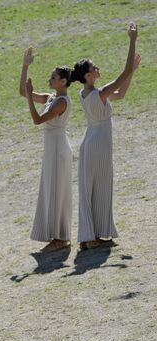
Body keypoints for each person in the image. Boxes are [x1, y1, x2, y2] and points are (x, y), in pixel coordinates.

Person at [71, 23, 140, 250]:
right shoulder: (98, 93)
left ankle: (94, 235)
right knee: (97, 187)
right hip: (97, 144)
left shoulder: (89, 93)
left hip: (94, 142)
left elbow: (120, 93)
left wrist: (132, 72)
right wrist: (132, 40)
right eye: (95, 67)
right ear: (89, 75)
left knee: (96, 188)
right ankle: (90, 237)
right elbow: (124, 72)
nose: (99, 68)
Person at [20, 47, 73, 252]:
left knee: (58, 189)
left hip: (59, 149)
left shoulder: (61, 102)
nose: (50, 79)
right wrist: (25, 66)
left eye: (53, 77)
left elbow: (37, 120)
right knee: (51, 188)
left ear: (63, 82)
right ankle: (56, 237)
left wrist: (29, 101)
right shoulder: (51, 97)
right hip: (51, 148)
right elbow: (24, 92)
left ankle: (60, 238)